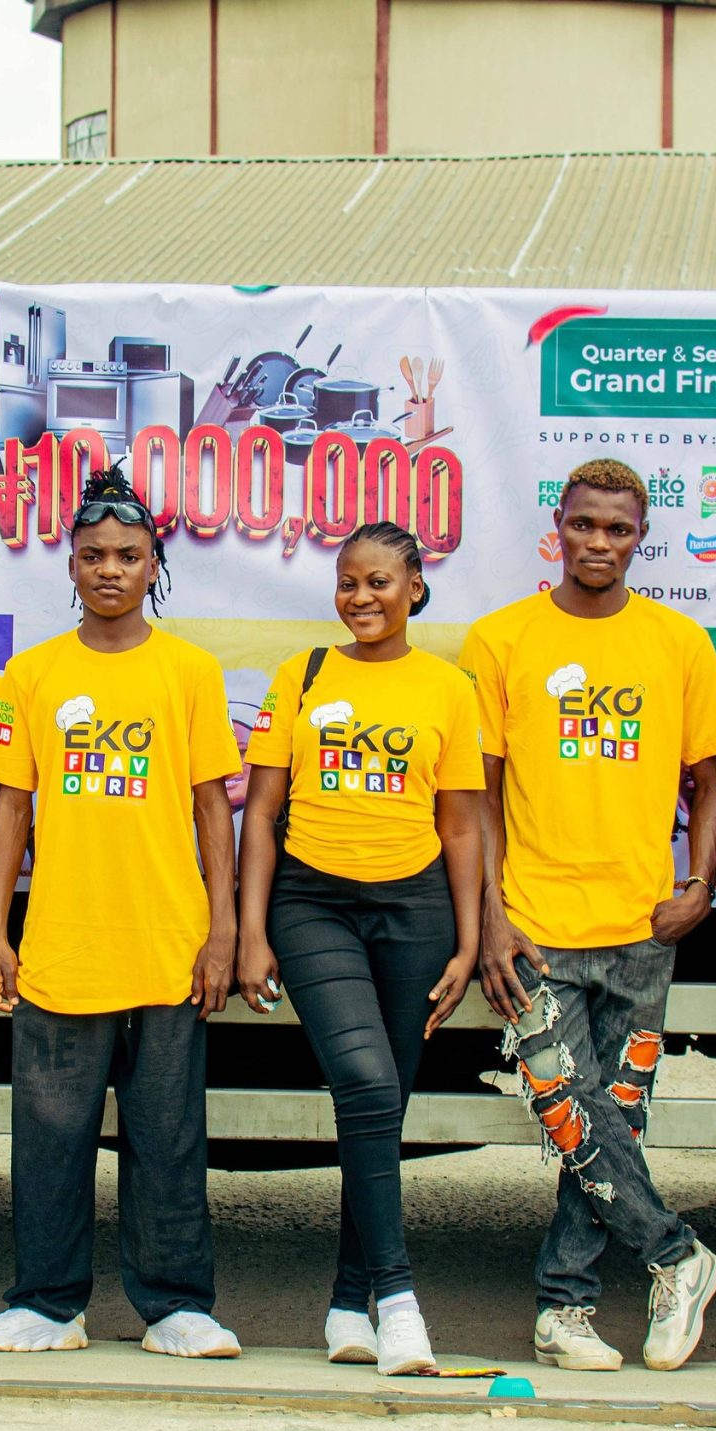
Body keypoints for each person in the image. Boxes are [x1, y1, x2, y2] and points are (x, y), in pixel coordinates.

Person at [0, 464, 246, 1358]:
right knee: (51, 1138)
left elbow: (213, 807)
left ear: (155, 563)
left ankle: (177, 1306)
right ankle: (47, 1305)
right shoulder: (32, 673)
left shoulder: (189, 671)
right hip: (62, 942)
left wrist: (224, 929)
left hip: (168, 941)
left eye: (128, 554)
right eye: (94, 555)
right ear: (72, 566)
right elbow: (11, 808)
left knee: (168, 1137)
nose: (111, 569)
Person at [462, 457, 716, 1373]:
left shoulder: (678, 642)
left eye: (618, 529)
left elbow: (711, 779)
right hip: (536, 925)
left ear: (640, 537)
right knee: (568, 1108)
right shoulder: (503, 639)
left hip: (641, 926)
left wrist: (700, 883)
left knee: (611, 1120)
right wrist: (492, 915)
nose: (599, 543)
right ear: (559, 528)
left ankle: (565, 1307)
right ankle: (676, 1255)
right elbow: (478, 796)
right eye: (584, 524)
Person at [234, 521, 483, 1376]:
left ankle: (348, 1303)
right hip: (314, 904)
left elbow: (462, 826)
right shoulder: (301, 675)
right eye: (348, 581)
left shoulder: (448, 688)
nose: (361, 596)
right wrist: (252, 930)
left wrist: (469, 940)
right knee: (367, 1083)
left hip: (417, 911)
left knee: (380, 1110)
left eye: (379, 581)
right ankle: (400, 1302)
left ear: (415, 586)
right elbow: (262, 812)